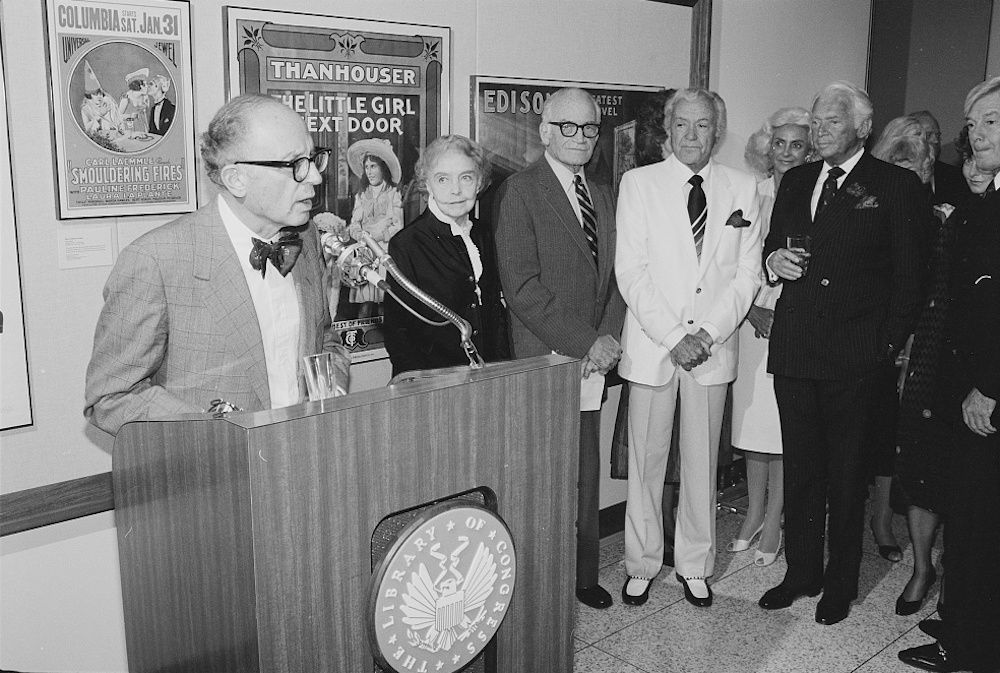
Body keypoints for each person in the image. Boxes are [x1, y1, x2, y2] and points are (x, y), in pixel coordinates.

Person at [758, 81, 925, 626]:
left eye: (831, 121)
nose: (819, 129)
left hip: (856, 354)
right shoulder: (798, 179)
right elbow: (771, 244)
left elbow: (911, 277)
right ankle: (802, 572)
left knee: (847, 474)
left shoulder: (893, 184)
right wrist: (773, 261)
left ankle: (840, 582)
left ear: (861, 127)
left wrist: (886, 346)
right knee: (803, 470)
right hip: (797, 347)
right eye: (816, 119)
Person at [85, 94, 350, 436]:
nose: (314, 176)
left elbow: (325, 338)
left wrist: (327, 396)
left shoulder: (307, 235)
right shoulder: (156, 259)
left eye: (314, 158)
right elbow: (111, 396)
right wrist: (218, 433)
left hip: (302, 454)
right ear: (236, 179)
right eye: (295, 163)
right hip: (212, 476)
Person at [616, 88, 762, 608]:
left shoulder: (743, 187)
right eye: (683, 125)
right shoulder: (639, 184)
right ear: (668, 130)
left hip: (712, 349)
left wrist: (708, 335)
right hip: (657, 346)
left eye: (703, 126)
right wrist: (677, 338)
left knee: (702, 464)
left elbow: (746, 274)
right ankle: (642, 561)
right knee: (646, 462)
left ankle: (695, 564)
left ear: (716, 132)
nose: (692, 136)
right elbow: (630, 271)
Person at [495, 87, 627, 610]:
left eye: (589, 128)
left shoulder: (604, 192)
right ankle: (541, 584)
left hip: (596, 357)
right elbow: (522, 289)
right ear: (545, 131)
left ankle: (584, 575)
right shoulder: (520, 191)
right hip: (546, 357)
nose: (580, 137)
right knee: (545, 478)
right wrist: (587, 341)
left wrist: (608, 338)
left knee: (585, 473)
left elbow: (619, 276)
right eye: (567, 127)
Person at [899, 77, 1000, 673]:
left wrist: (990, 385)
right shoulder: (983, 196)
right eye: (976, 123)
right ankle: (963, 622)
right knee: (968, 514)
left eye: (993, 121)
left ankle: (971, 646)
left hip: (984, 389)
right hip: (965, 381)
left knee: (981, 522)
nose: (977, 132)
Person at [730, 106, 813, 567]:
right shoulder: (750, 192)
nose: (785, 152)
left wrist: (778, 310)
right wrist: (749, 312)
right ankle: (754, 511)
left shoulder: (816, 197)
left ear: (811, 149)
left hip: (794, 323)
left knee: (783, 426)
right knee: (751, 424)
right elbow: (732, 262)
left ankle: (776, 515)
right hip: (749, 320)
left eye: (796, 144)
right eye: (778, 143)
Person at [862, 116, 935, 567]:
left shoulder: (934, 207)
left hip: (918, 336)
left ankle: (882, 519)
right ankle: (863, 517)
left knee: (895, 435)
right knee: (868, 430)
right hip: (874, 334)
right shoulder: (866, 200)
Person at [383, 135, 510, 376]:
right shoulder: (407, 244)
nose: (456, 190)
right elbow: (399, 335)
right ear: (427, 184)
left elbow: (495, 313)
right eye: (443, 179)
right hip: (435, 385)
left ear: (480, 181)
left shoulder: (484, 233)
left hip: (488, 377)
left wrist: (501, 370)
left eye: (466, 178)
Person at [346, 138, 404, 318]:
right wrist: (359, 235)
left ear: (383, 168)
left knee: (384, 302)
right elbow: (354, 223)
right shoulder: (362, 195)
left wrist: (378, 236)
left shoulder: (394, 194)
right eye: (367, 167)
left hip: (385, 252)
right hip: (365, 254)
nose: (369, 172)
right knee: (365, 304)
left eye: (374, 166)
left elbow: (398, 226)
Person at [909, 110, 971, 209]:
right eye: (928, 135)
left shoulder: (954, 175)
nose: (936, 140)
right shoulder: (897, 173)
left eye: (937, 135)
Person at [119, 68, 149, 134]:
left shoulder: (144, 97)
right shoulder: (126, 98)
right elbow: (118, 116)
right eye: (144, 84)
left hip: (141, 129)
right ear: (138, 86)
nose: (147, 86)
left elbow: (145, 118)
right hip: (128, 128)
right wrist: (130, 116)